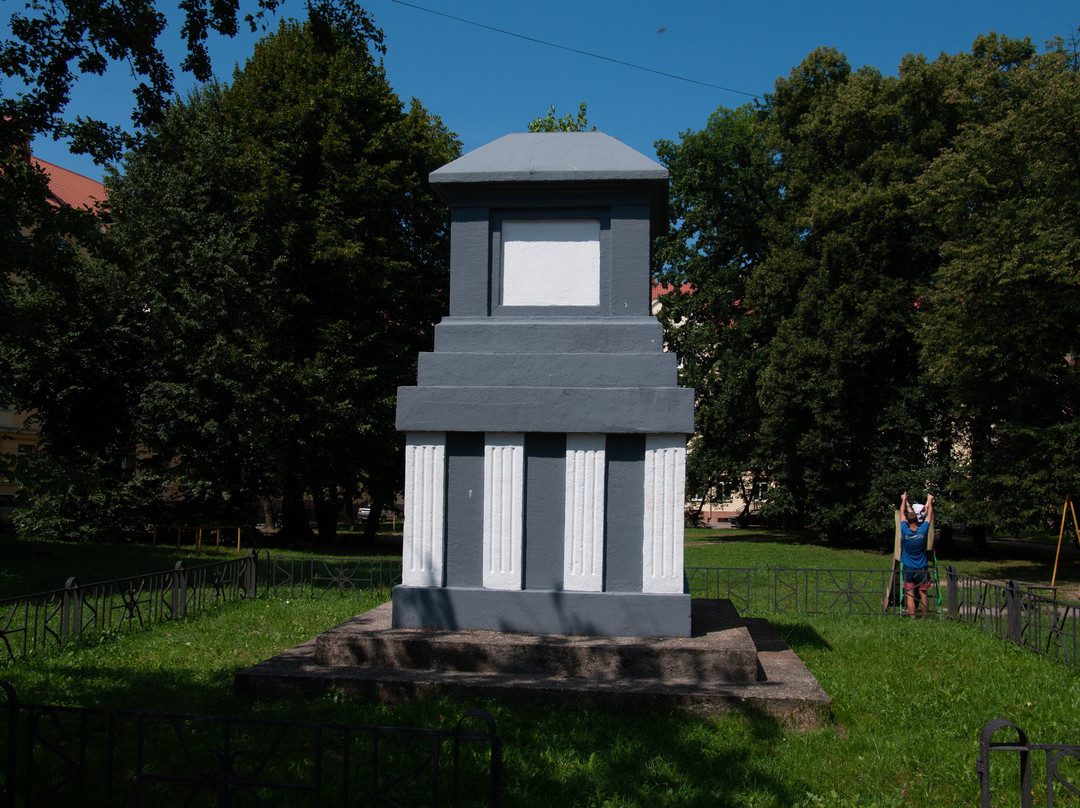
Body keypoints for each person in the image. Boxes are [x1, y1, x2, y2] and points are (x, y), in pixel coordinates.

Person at [899, 492, 935, 617]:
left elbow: (901, 514)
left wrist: (904, 500)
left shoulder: (905, 531)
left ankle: (912, 617)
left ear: (907, 521)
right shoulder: (923, 531)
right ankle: (925, 616)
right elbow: (929, 515)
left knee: (909, 593)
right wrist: (929, 501)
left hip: (908, 567)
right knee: (923, 593)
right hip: (922, 567)